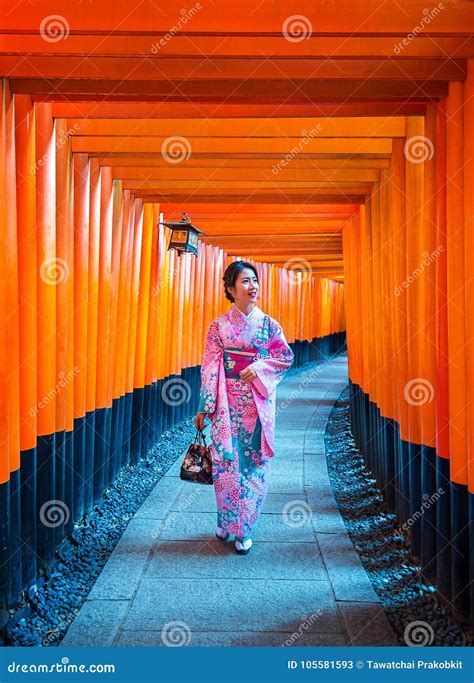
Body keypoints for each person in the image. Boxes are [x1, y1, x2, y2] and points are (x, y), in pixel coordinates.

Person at [194, 260, 294, 555]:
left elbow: (284, 357)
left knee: (253, 464)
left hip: (256, 403)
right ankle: (226, 520)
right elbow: (210, 366)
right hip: (226, 403)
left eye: (255, 281)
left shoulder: (269, 326)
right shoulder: (219, 327)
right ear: (230, 289)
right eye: (246, 282)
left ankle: (245, 527)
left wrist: (260, 366)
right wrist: (204, 407)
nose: (253, 287)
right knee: (225, 463)